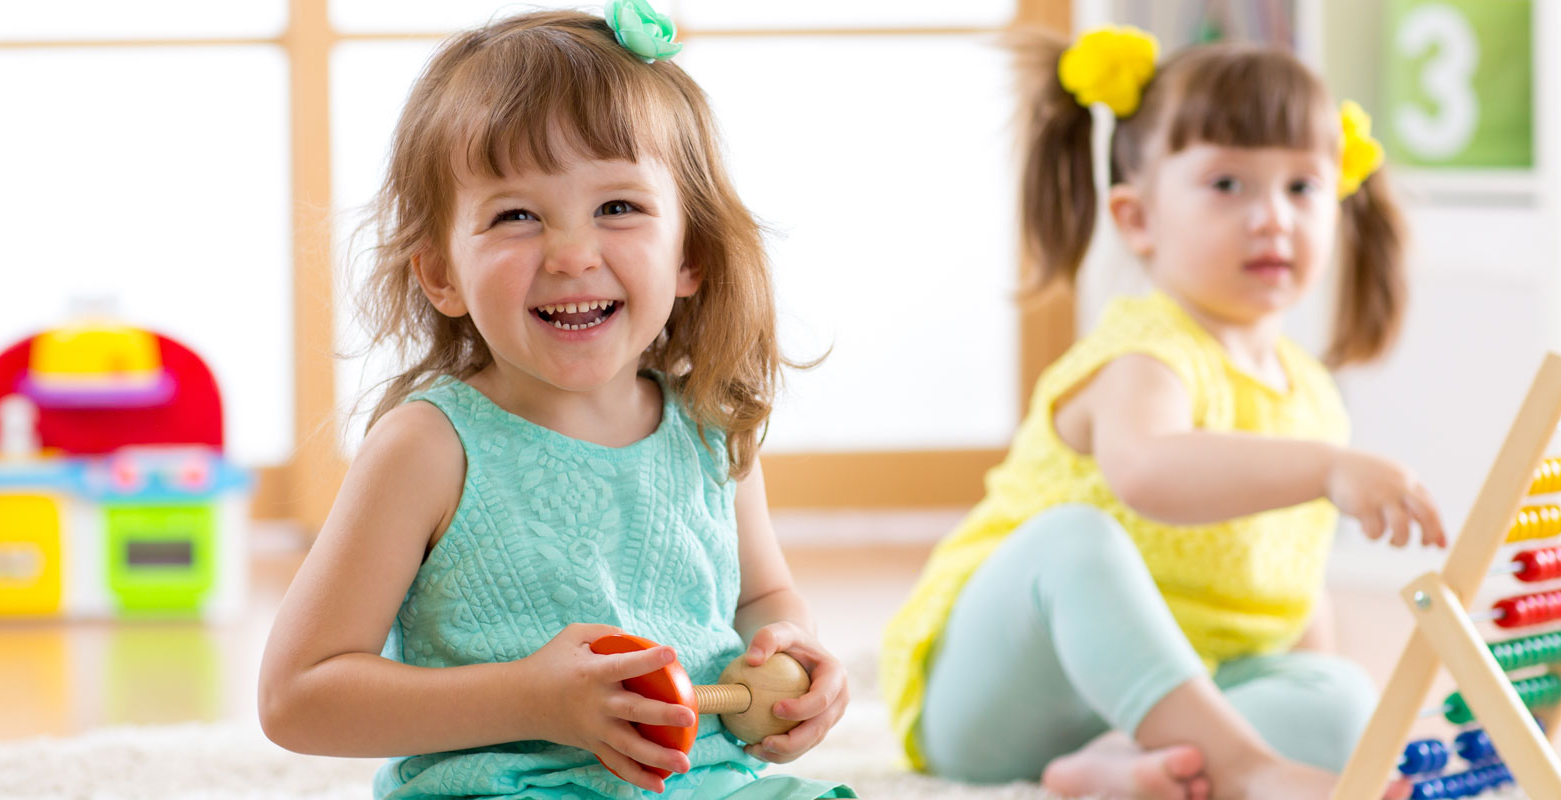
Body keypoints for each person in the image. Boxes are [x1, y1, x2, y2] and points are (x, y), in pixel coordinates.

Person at [257, 5, 853, 797]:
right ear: (440, 274)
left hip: (706, 781)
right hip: (506, 786)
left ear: (691, 253)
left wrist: (790, 653)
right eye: (516, 216)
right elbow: (298, 697)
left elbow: (761, 596)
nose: (572, 255)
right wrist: (531, 699)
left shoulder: (709, 427)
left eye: (618, 208)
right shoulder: (428, 448)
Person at [881, 26, 1442, 800]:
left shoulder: (1310, 393)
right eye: (1227, 185)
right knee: (1074, 538)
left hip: (1167, 710)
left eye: (1302, 188)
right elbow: (1147, 471)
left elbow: (1297, 586)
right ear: (1138, 217)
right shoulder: (1146, 352)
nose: (1272, 217)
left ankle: (1123, 770)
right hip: (1001, 699)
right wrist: (1324, 469)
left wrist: (1315, 678)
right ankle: (1235, 767)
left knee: (1343, 697)